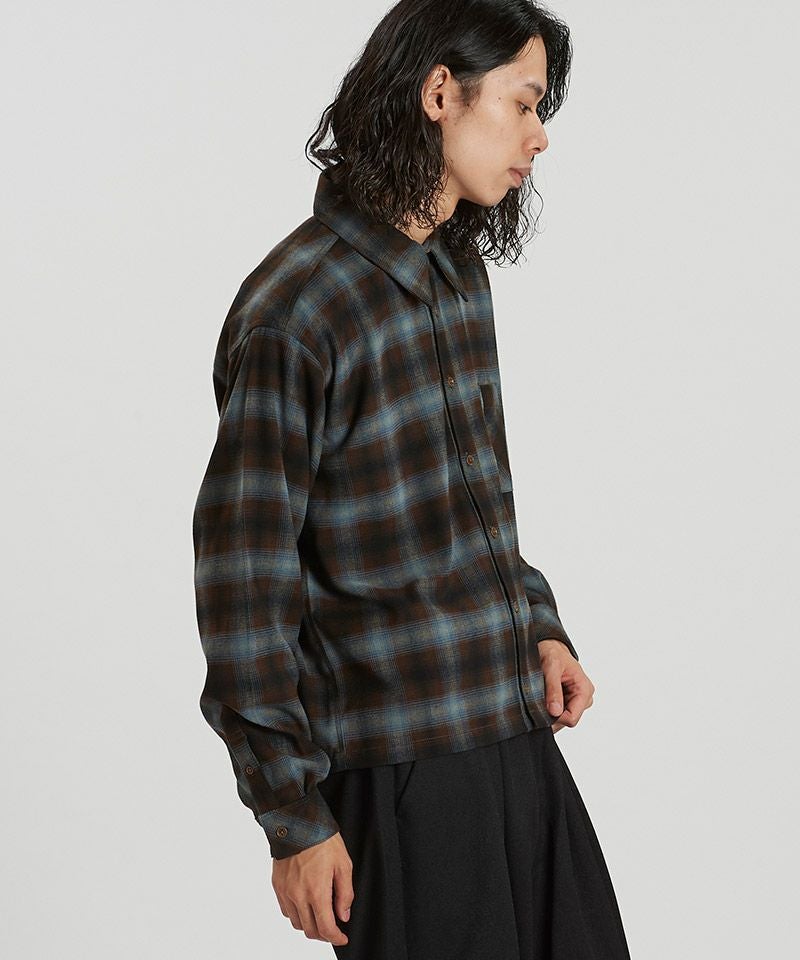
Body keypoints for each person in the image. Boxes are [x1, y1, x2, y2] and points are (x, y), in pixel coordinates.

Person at [192, 1, 632, 957]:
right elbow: (244, 586)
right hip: (399, 774)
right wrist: (292, 817)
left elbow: (475, 507)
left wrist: (537, 625)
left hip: (511, 734)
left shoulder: (455, 275)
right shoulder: (296, 312)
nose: (539, 137)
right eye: (523, 104)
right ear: (440, 93)